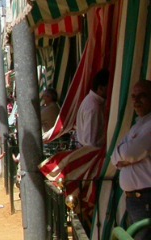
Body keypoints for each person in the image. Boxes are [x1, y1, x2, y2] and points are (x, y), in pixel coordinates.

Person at [110, 80, 151, 240]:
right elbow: (114, 157)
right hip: (135, 200)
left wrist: (126, 157)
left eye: (142, 96)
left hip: (145, 198)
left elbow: (131, 152)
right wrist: (125, 156)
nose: (136, 101)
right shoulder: (138, 125)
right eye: (134, 97)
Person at [76, 69, 109, 147]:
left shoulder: (92, 101)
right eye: (109, 87)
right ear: (101, 88)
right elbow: (90, 143)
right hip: (92, 152)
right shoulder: (93, 107)